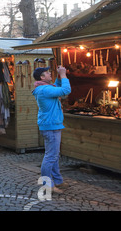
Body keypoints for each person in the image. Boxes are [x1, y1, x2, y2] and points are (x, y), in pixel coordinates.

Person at [32, 66, 71, 194]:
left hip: (50, 125)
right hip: (51, 126)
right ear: (42, 77)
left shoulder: (44, 88)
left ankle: (58, 180)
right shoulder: (45, 89)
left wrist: (59, 78)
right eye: (47, 73)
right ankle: (47, 185)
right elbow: (66, 90)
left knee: (53, 155)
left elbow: (57, 87)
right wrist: (63, 75)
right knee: (51, 156)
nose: (50, 73)